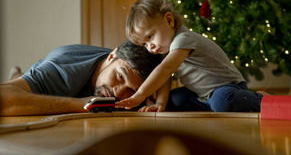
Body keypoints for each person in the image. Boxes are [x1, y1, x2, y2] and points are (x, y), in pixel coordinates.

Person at [116, 0, 265, 112]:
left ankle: (259, 98)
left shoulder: (183, 39)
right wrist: (160, 103)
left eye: (150, 36)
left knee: (223, 102)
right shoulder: (166, 50)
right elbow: (165, 78)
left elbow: (165, 69)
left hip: (228, 87)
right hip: (202, 95)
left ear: (169, 20)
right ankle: (213, 107)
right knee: (174, 100)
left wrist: (140, 94)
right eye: (145, 44)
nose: (150, 46)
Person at [0, 41, 166, 116]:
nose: (118, 91)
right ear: (111, 57)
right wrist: (82, 105)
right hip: (53, 65)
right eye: (120, 76)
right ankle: (16, 74)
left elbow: (166, 73)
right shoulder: (62, 68)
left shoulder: (137, 76)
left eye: (131, 90)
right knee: (22, 80)